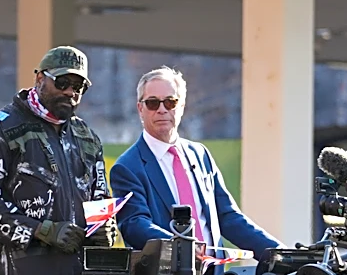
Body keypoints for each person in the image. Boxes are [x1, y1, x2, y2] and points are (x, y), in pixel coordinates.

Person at [0, 46, 115, 275]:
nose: (70, 92)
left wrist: (105, 226)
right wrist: (41, 231)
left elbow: (100, 196)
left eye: (79, 87)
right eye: (63, 82)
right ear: (40, 79)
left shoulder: (87, 137)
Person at [109, 66, 283, 262]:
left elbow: (228, 217)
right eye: (152, 103)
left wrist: (280, 254)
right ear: (140, 108)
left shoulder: (200, 155)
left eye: (170, 102)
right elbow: (134, 225)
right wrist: (183, 248)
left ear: (181, 106)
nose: (162, 109)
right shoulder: (127, 167)